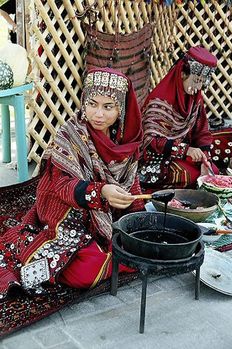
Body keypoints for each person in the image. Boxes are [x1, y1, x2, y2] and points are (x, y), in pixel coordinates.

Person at [0, 67, 144, 299]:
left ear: (121, 108)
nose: (98, 114)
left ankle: (118, 252)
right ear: (84, 102)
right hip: (65, 209)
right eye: (92, 103)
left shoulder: (126, 140)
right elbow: (62, 186)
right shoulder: (70, 134)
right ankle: (120, 257)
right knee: (87, 270)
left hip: (105, 213)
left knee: (140, 237)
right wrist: (101, 191)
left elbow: (130, 180)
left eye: (108, 107)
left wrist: (137, 217)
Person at [138, 46, 219, 191]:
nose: (198, 87)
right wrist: (185, 150)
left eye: (202, 82)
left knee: (212, 171)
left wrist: (204, 157)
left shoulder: (194, 100)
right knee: (188, 175)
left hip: (181, 155)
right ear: (182, 74)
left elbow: (202, 131)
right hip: (156, 158)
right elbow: (150, 141)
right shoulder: (158, 100)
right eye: (196, 81)